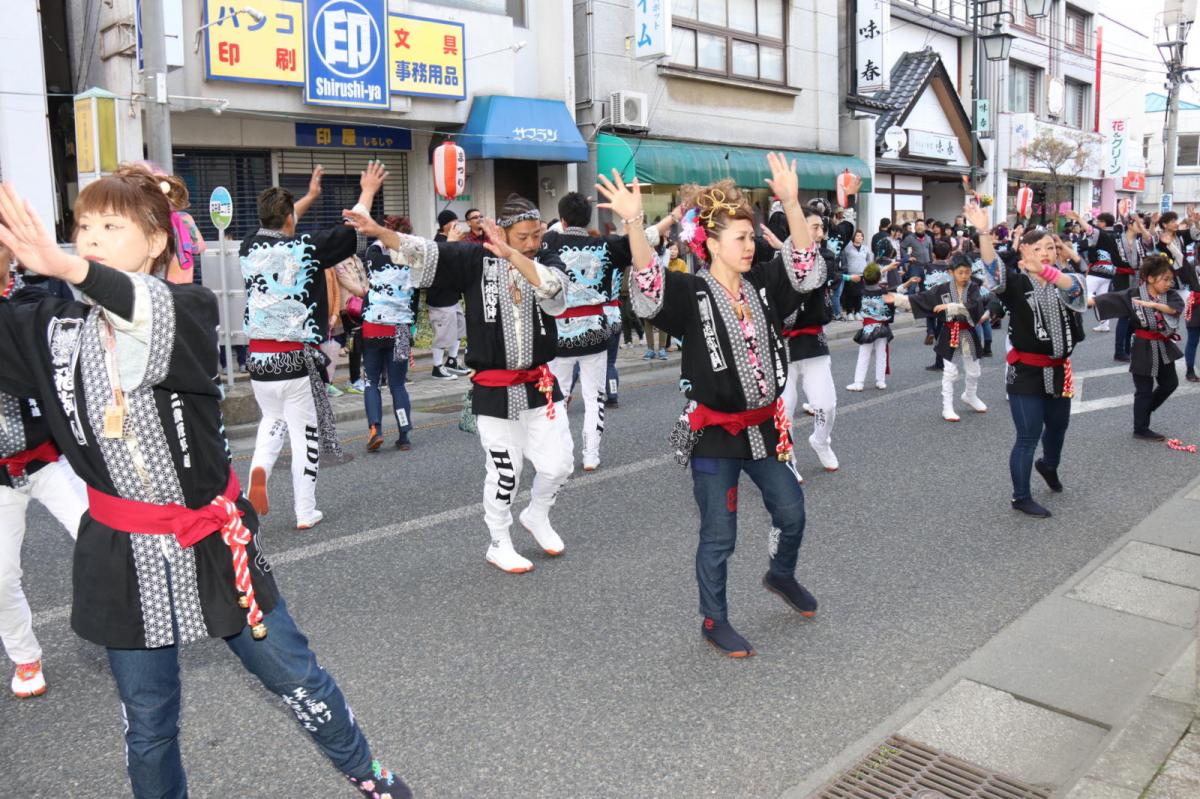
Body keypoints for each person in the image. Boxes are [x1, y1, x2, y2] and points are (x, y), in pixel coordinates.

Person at [0, 174, 412, 799]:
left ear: (156, 242)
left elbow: (140, 310)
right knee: (148, 724)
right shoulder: (50, 327)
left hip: (213, 539)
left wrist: (67, 266)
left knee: (296, 677)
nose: (92, 240)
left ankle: (369, 775)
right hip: (120, 551)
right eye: (83, 227)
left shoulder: (185, 307)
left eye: (113, 227)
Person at [610, 154, 821, 657]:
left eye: (751, 237)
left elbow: (806, 269)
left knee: (792, 512)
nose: (750, 246)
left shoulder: (765, 283)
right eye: (740, 239)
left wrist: (791, 203)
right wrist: (635, 224)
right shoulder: (688, 291)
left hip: (766, 429)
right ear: (710, 244)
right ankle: (714, 619)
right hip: (714, 433)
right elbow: (646, 285)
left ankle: (781, 574)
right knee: (719, 534)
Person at [346, 194, 574, 575]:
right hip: (493, 387)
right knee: (505, 472)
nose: (533, 243)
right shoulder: (474, 260)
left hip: (540, 385)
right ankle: (499, 542)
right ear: (501, 230)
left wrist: (516, 256)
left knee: (559, 465)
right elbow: (422, 252)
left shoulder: (546, 259)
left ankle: (537, 514)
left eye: (537, 235)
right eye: (523, 237)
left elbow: (555, 297)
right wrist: (380, 232)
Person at [240, 163, 385, 529]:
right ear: (290, 218)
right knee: (305, 434)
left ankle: (259, 469)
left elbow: (277, 225)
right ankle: (305, 511)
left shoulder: (248, 248)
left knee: (272, 419)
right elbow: (355, 227)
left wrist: (307, 198)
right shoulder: (307, 249)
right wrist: (367, 190)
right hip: (293, 358)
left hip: (257, 358)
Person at [0, 245, 88, 698]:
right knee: (1, 576)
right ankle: (25, 656)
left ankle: (137, 622)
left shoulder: (34, 303)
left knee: (100, 537)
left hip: (50, 459)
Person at [540, 191, 676, 471]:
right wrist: (672, 218)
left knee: (558, 395)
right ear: (587, 218)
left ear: (563, 220)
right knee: (594, 396)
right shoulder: (604, 244)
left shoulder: (549, 241)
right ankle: (591, 454)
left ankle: (560, 453)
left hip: (559, 333)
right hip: (596, 332)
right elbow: (645, 238)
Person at [973, 203, 1087, 519]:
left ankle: (1048, 466)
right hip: (1026, 371)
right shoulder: (1016, 283)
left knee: (1058, 428)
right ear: (1024, 254)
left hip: (1059, 369)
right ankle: (1021, 496)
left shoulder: (1068, 279)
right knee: (1028, 435)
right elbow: (992, 269)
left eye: (1050, 247)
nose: (1045, 253)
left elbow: (1075, 290)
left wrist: (1047, 271)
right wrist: (984, 233)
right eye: (1038, 249)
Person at [1091, 255, 1185, 440]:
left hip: (1163, 344)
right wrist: (1082, 301)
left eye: (1170, 279)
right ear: (1150, 278)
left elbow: (1175, 309)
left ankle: (1145, 410)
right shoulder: (1133, 295)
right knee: (1144, 390)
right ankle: (1140, 428)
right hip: (1142, 345)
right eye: (1164, 279)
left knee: (1170, 383)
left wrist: (1154, 304)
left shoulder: (1170, 295)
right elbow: (1109, 299)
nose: (1169, 283)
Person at [778, 208, 841, 473]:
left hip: (812, 341)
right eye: (814, 227)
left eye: (821, 228)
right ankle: (787, 455)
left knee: (826, 404)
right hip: (780, 345)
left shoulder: (824, 256)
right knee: (785, 407)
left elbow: (829, 273)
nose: (820, 233)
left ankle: (820, 440)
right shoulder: (777, 258)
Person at [894, 254, 989, 421]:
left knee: (974, 370)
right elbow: (920, 299)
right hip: (949, 332)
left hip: (968, 332)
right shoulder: (942, 289)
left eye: (967, 272)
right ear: (951, 272)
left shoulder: (973, 288)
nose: (964, 276)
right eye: (960, 273)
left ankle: (970, 395)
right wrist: (898, 300)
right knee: (950, 372)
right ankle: (947, 407)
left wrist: (949, 306)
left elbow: (974, 306)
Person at [361, 221, 416, 452]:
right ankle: (404, 435)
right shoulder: (412, 259)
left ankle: (375, 429)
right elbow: (417, 296)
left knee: (371, 381)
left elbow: (375, 244)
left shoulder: (373, 254)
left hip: (374, 325)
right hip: (401, 328)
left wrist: (380, 234)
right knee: (398, 384)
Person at [845, 262, 901, 392]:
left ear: (865, 278)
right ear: (878, 278)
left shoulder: (862, 290)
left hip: (868, 327)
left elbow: (867, 277)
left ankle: (859, 383)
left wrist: (884, 269)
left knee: (864, 354)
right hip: (882, 327)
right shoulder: (883, 291)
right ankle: (880, 381)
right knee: (881, 353)